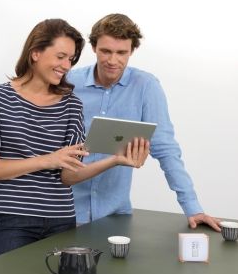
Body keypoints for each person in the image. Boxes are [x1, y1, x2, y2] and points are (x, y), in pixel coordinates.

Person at [0, 18, 150, 257]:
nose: (66, 65)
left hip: (62, 220)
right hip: (15, 221)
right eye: (60, 56)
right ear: (35, 53)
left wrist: (116, 159)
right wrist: (47, 160)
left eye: (71, 59)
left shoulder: (71, 104)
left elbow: (68, 176)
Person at [67, 13, 221, 231]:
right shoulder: (68, 83)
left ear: (132, 50)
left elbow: (166, 149)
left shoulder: (146, 86)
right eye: (106, 51)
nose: (113, 60)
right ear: (93, 47)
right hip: (64, 211)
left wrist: (193, 208)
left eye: (121, 53)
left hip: (114, 216)